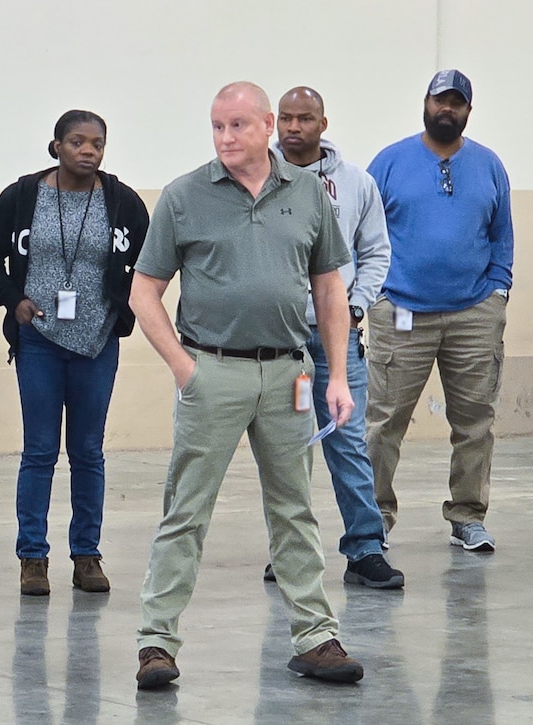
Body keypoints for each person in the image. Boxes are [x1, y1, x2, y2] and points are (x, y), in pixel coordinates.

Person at [130, 82, 363, 689]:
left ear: (266, 126)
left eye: (237, 126)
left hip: (291, 373)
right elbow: (143, 292)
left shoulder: (308, 193)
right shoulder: (185, 196)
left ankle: (316, 637)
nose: (226, 138)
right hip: (214, 371)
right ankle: (156, 643)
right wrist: (185, 368)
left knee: (295, 509)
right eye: (216, 127)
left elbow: (330, 289)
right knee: (186, 510)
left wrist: (336, 375)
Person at [0, 110, 148, 596]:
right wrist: (13, 300)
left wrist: (122, 306)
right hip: (40, 341)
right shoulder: (24, 196)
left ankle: (86, 555)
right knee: (40, 450)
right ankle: (33, 557)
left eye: (97, 143)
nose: (88, 151)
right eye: (77, 142)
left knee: (88, 450)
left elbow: (149, 262)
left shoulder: (123, 202)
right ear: (56, 146)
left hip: (98, 340)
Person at [366, 69, 512, 552]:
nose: (446, 109)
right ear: (425, 103)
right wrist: (377, 296)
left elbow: (501, 238)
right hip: (401, 312)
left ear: (469, 110)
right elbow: (362, 235)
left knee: (475, 423)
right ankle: (374, 520)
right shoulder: (389, 162)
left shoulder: (489, 166)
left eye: (456, 102)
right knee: (384, 422)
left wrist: (497, 293)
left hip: (474, 314)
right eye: (439, 100)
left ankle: (468, 516)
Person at [272, 86, 403, 589]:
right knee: (285, 444)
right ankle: (289, 549)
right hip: (275, 336)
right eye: (285, 118)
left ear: (323, 124)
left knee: (347, 440)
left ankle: (366, 549)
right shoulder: (254, 178)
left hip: (335, 335)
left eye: (304, 118)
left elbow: (376, 253)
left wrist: (353, 308)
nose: (293, 127)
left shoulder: (355, 184)